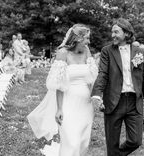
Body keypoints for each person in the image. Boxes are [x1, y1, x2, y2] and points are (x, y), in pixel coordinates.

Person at [27, 24, 98, 156]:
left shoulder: (87, 51)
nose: (89, 41)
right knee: (71, 141)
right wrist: (59, 109)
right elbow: (58, 83)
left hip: (85, 105)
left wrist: (95, 98)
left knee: (83, 141)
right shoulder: (63, 53)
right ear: (78, 38)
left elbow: (91, 78)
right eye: (87, 38)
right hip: (68, 102)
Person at [91, 18, 144, 156]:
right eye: (112, 32)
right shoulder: (107, 51)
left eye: (116, 32)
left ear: (126, 33)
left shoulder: (140, 52)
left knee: (136, 140)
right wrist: (96, 94)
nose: (112, 35)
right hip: (113, 101)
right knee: (112, 143)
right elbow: (103, 74)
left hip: (134, 102)